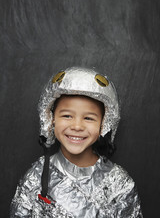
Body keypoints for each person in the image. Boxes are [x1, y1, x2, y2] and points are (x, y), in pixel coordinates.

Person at [10, 67, 143, 217]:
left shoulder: (121, 184)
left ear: (104, 124)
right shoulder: (35, 178)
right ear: (51, 119)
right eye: (67, 116)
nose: (77, 126)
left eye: (88, 118)